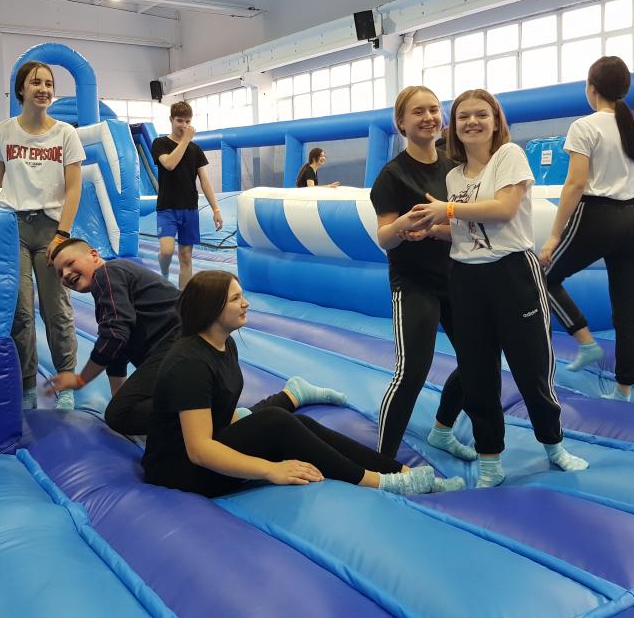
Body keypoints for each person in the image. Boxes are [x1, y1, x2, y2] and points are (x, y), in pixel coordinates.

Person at [143, 270, 465, 497]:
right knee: (275, 421)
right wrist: (271, 469)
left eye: (243, 295)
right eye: (236, 298)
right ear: (212, 310)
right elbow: (199, 451)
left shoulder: (225, 344)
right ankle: (378, 483)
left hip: (209, 447)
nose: (246, 303)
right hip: (183, 471)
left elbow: (221, 414)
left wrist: (252, 427)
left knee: (300, 424)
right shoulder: (190, 364)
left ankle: (401, 472)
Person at [411, 89, 588, 488]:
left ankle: (553, 445)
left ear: (495, 122)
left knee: (532, 367)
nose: (472, 122)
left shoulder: (509, 156)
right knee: (477, 373)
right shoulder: (454, 176)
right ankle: (490, 460)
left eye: (481, 115)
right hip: (467, 278)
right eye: (463, 117)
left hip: (512, 274)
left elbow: (504, 209)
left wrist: (447, 209)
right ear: (454, 127)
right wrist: (433, 229)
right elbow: (467, 229)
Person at [47, 239, 347, 435]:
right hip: (196, 348)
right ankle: (290, 396)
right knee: (215, 422)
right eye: (60, 273)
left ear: (94, 255)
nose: (66, 274)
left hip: (185, 348)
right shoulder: (112, 285)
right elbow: (119, 346)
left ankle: (286, 399)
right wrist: (123, 397)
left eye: (70, 263)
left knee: (120, 416)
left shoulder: (107, 275)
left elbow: (115, 335)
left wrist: (81, 379)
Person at [539, 56, 634, 402]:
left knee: (540, 278)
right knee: (627, 309)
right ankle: (624, 388)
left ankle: (585, 342)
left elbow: (576, 184)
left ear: (591, 88)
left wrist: (554, 236)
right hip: (633, 218)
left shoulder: (585, 126)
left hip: (597, 216)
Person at [0, 60, 84, 411]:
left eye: (48, 83)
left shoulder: (65, 134)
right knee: (20, 311)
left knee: (57, 309)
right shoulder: (2, 132)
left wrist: (62, 234)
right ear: (21, 89)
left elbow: (73, 189)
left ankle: (66, 381)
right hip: (12, 228)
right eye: (36, 83)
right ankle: (27, 384)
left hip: (51, 229)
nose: (43, 89)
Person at [369, 86, 474, 462]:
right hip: (414, 283)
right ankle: (382, 461)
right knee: (412, 372)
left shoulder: (455, 168)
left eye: (433, 110)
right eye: (418, 112)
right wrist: (402, 225)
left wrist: (435, 227)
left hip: (456, 277)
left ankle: (443, 430)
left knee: (477, 362)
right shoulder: (392, 175)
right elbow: (385, 238)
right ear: (401, 122)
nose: (429, 117)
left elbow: (463, 226)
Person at [152, 102, 224, 289]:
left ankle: (183, 297)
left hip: (189, 208)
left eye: (188, 121)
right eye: (179, 121)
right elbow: (169, 164)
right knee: (167, 251)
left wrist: (216, 209)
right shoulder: (160, 143)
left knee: (185, 256)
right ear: (171, 120)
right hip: (167, 208)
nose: (184, 125)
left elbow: (205, 181)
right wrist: (185, 140)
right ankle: (164, 269)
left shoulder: (195, 150)